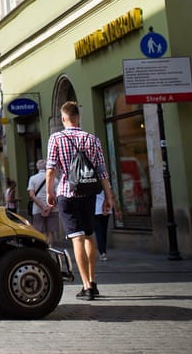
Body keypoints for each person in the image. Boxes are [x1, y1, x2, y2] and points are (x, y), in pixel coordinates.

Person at [46, 101, 116, 301]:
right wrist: (109, 197)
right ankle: (93, 282)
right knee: (89, 235)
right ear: (79, 117)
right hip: (89, 194)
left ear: (63, 118)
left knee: (76, 238)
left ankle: (85, 286)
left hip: (67, 194)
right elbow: (102, 171)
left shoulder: (56, 138)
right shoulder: (92, 139)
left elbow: (51, 168)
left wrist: (50, 191)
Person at [27, 159, 59, 246]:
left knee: (40, 232)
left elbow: (32, 195)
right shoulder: (54, 179)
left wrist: (42, 207)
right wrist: (48, 207)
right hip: (52, 209)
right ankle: (52, 250)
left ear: (37, 168)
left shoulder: (32, 179)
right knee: (51, 232)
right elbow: (57, 196)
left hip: (37, 209)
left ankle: (44, 251)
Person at [94, 190, 111, 261]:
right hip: (105, 209)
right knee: (103, 232)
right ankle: (103, 251)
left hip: (96, 210)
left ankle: (102, 253)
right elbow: (110, 195)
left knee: (99, 232)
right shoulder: (106, 182)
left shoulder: (91, 181)